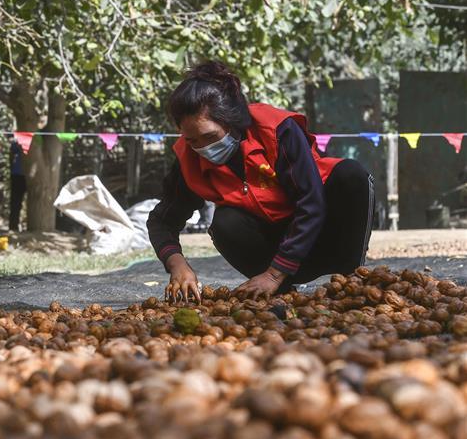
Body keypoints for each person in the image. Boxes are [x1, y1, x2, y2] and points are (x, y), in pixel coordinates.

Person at [148, 61, 374, 301]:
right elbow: (161, 221)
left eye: (210, 137)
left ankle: (351, 279)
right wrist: (177, 264)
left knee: (351, 174)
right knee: (226, 222)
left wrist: (275, 274)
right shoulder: (189, 157)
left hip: (322, 238)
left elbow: (311, 203)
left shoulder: (277, 130)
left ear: (231, 121)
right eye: (193, 140)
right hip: (269, 251)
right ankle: (280, 292)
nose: (203, 148)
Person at [9, 139, 26, 231]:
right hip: (19, 174)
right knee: (16, 202)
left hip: (19, 173)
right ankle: (13, 226)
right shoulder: (18, 140)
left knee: (15, 202)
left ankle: (14, 226)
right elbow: (11, 155)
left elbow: (11, 155)